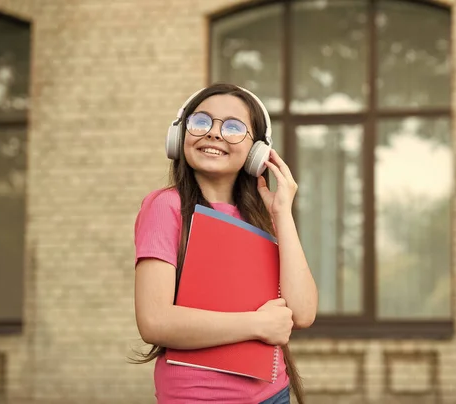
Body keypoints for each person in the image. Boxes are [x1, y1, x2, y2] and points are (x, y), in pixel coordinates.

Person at [132, 83, 319, 404]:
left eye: (233, 127)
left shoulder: (267, 215)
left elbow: (301, 313)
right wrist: (256, 324)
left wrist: (283, 213)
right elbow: (154, 321)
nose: (215, 134)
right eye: (201, 122)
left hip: (273, 395)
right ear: (180, 135)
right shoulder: (166, 206)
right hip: (198, 398)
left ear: (256, 151)